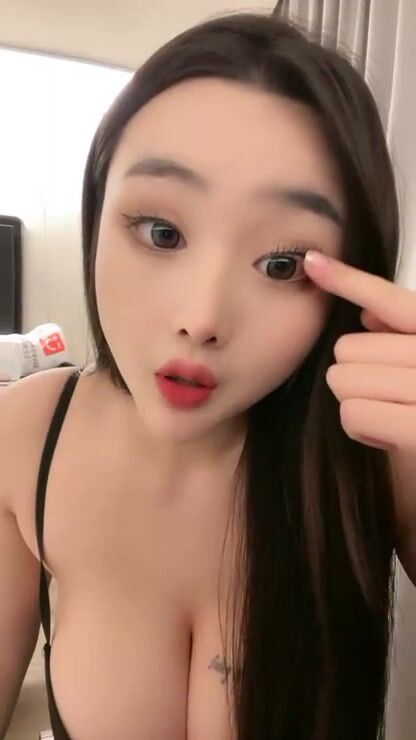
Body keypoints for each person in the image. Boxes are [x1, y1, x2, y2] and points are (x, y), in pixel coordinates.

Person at [2, 6, 416, 740]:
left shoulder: (378, 453)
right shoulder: (28, 433)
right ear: (98, 210)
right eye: (162, 233)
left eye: (281, 265)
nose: (202, 318)